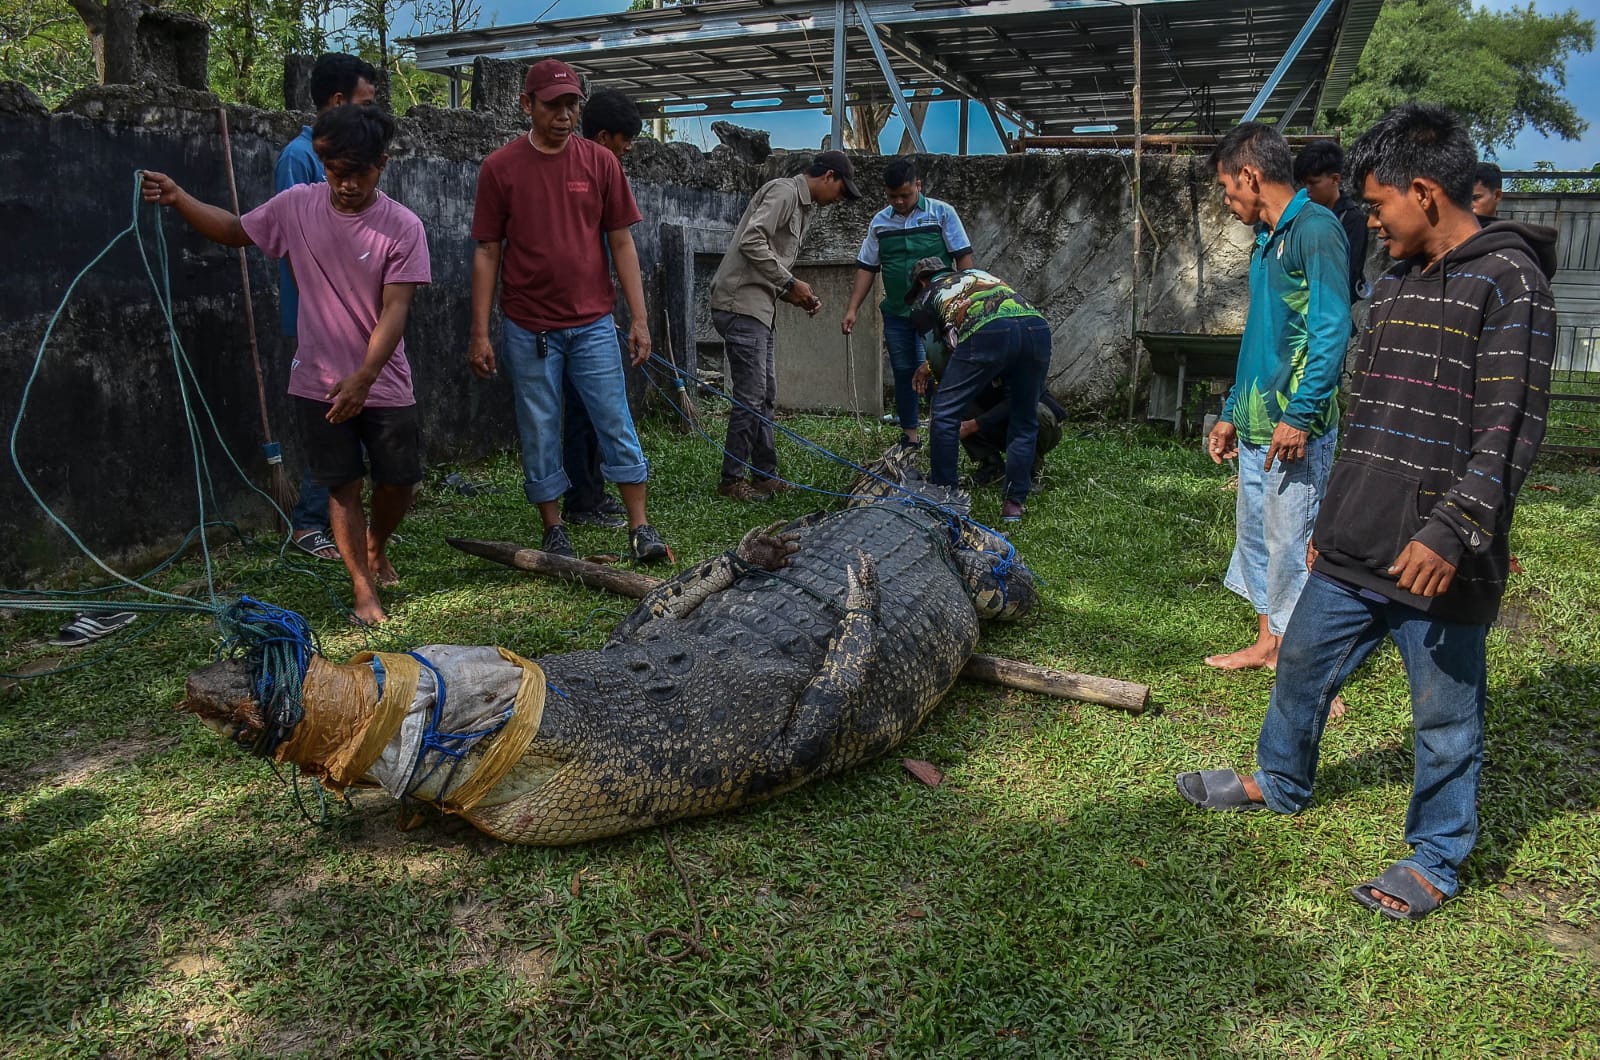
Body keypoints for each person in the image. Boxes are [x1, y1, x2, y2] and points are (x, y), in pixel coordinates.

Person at [1176, 103, 1556, 922]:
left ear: (1424, 192)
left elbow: (1511, 428)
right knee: (1301, 666)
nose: (1369, 222)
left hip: (1438, 554)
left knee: (1445, 717)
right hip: (1357, 536)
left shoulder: (1509, 282)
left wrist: (1453, 530)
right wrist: (1331, 521)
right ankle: (1280, 780)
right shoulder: (1391, 286)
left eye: (1378, 205)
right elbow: (1364, 418)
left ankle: (1436, 856)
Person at [143, 105, 432, 626]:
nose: (346, 185)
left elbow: (396, 308)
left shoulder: (403, 226)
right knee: (342, 486)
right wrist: (179, 197)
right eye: (335, 172)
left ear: (382, 165)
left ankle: (376, 543)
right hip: (318, 381)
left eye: (358, 174)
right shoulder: (297, 204)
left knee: (399, 482)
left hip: (383, 381)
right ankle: (362, 588)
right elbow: (235, 230)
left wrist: (365, 377)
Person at [468, 60, 668, 564]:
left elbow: (621, 241)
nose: (564, 115)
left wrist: (639, 318)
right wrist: (480, 332)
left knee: (613, 417)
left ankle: (640, 527)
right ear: (527, 105)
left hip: (593, 323)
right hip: (528, 325)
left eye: (571, 105)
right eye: (553, 105)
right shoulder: (500, 168)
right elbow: (487, 251)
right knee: (538, 425)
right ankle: (553, 528)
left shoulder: (600, 163)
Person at [1204, 123, 1350, 671]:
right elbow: (1259, 338)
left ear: (1249, 175)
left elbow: (1331, 330)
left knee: (1296, 544)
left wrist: (1302, 413)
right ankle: (1269, 643)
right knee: (1258, 539)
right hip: (1256, 424)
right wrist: (1229, 413)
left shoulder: (1316, 229)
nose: (1227, 201)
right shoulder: (1267, 240)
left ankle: (1303, 665)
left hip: (1294, 426)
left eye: (1226, 188)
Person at [707, 151, 859, 502]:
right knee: (750, 396)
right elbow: (751, 241)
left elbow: (766, 266)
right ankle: (731, 480)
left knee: (764, 395)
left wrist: (795, 296)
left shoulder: (802, 207)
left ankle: (764, 475)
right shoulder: (784, 192)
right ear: (829, 176)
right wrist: (791, 283)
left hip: (759, 309)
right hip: (740, 305)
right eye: (840, 190)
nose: (838, 199)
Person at [275, 52, 379, 563]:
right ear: (338, 102)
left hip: (352, 317)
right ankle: (309, 523)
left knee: (352, 414)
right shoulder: (299, 159)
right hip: (317, 319)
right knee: (331, 418)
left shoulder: (350, 155)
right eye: (365, 102)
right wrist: (321, 306)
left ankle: (343, 522)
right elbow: (296, 243)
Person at [556, 86, 644, 530]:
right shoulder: (574, 172)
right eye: (624, 143)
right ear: (604, 137)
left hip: (591, 311)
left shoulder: (601, 173)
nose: (626, 151)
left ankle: (591, 491)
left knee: (594, 411)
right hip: (566, 317)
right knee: (582, 411)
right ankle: (581, 499)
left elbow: (615, 245)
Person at [840, 158, 974, 449]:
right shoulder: (880, 223)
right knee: (903, 371)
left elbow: (963, 258)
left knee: (937, 370)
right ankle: (910, 436)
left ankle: (943, 431)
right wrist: (852, 309)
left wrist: (963, 304)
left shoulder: (942, 214)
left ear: (918, 186)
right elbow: (867, 267)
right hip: (898, 313)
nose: (899, 202)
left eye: (905, 194)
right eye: (892, 196)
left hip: (935, 313)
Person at [905, 258, 1052, 523]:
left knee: (945, 412)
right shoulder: (976, 274)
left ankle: (945, 500)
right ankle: (1013, 505)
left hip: (988, 331)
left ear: (922, 283)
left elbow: (940, 367)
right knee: (1024, 418)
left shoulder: (926, 297)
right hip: (1037, 327)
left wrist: (934, 371)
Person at [1293, 139, 1370, 302]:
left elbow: (1349, 273)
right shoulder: (1302, 213)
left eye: (1313, 183)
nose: (1307, 189)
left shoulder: (1352, 220)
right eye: (1304, 183)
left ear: (1335, 179)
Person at [960, 382, 1067, 490]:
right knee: (959, 403)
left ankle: (1030, 472)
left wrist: (972, 425)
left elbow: (1017, 400)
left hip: (1045, 427)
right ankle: (993, 465)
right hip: (1004, 425)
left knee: (1028, 407)